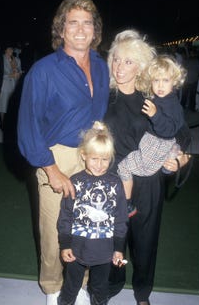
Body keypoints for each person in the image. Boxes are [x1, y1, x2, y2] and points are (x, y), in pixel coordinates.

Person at [17, 0, 110, 305]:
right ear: (62, 29)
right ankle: (53, 287)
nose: (81, 29)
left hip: (91, 157)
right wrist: (50, 168)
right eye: (73, 23)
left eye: (87, 23)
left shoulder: (101, 66)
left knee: (86, 225)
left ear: (96, 29)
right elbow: (28, 125)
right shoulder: (43, 71)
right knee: (55, 229)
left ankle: (78, 283)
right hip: (56, 155)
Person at [103, 29, 191, 305]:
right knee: (112, 239)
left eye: (128, 61)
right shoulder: (101, 97)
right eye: (116, 59)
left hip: (149, 181)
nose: (120, 67)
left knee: (145, 240)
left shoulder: (152, 96)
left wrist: (179, 156)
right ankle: (111, 285)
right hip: (112, 180)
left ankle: (142, 293)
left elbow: (182, 132)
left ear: (141, 65)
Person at [57, 121, 128, 305]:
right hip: (76, 248)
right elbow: (65, 216)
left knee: (100, 288)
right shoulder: (74, 181)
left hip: (105, 251)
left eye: (105, 159)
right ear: (84, 155)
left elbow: (121, 219)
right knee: (71, 287)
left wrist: (119, 248)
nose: (99, 165)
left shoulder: (115, 183)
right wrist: (65, 244)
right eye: (94, 158)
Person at [116, 55, 187, 217]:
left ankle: (127, 204)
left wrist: (155, 115)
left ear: (175, 81)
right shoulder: (160, 98)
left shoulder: (172, 104)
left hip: (158, 143)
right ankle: (165, 162)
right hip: (153, 143)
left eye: (165, 80)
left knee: (123, 166)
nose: (160, 85)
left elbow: (169, 130)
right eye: (156, 81)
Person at [0, 45, 22, 128]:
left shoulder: (17, 59)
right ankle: (3, 124)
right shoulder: (0, 59)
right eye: (9, 49)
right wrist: (10, 75)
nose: (11, 50)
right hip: (3, 86)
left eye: (12, 49)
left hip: (14, 86)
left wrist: (18, 73)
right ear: (5, 50)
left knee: (12, 106)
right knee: (3, 106)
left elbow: (19, 71)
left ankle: (10, 123)